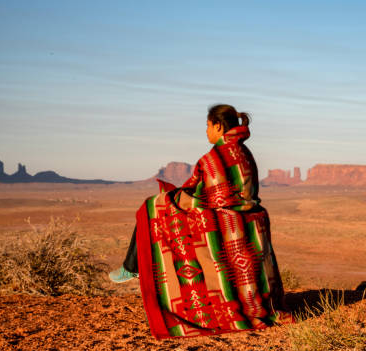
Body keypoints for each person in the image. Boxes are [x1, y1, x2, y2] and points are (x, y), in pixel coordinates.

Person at [110, 104, 292, 338]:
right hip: (250, 215)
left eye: (207, 126)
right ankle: (131, 267)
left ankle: (131, 267)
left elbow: (199, 193)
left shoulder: (213, 157)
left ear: (218, 125)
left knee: (151, 206)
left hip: (222, 216)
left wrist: (175, 197)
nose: (206, 131)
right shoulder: (245, 152)